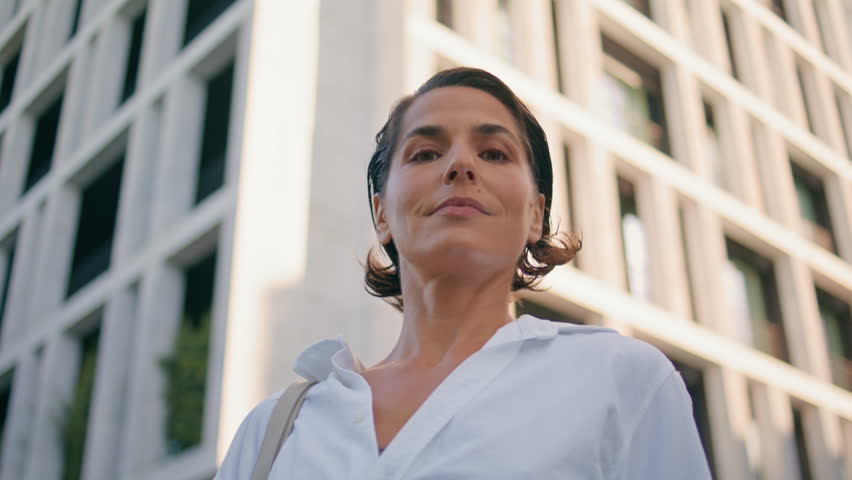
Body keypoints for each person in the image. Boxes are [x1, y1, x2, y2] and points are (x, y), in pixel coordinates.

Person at [215, 67, 712, 479]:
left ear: (536, 214)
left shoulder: (623, 381)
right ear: (382, 212)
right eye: (426, 153)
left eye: (494, 153)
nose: (459, 165)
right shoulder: (274, 429)